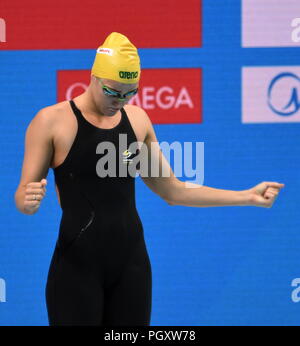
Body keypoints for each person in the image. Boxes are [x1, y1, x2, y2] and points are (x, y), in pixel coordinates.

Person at [14, 32, 285, 326]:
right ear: (93, 77)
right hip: (77, 266)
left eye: (129, 92)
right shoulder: (51, 121)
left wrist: (246, 196)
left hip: (132, 264)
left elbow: (173, 190)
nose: (119, 101)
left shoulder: (138, 120)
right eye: (112, 91)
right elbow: (24, 196)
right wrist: (28, 202)